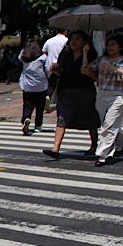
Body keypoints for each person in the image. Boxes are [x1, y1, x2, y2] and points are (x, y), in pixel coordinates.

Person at [42, 31, 100, 159]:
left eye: (77, 39)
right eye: (72, 39)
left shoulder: (91, 57)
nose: (73, 42)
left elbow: (93, 76)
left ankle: (94, 145)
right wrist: (56, 69)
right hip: (67, 91)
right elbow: (62, 72)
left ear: (85, 42)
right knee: (62, 117)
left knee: (89, 118)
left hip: (85, 91)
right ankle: (56, 148)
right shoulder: (66, 55)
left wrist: (85, 53)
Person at [84, 34, 123, 167]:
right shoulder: (102, 59)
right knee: (107, 123)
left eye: (113, 44)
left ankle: (102, 154)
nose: (110, 47)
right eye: (108, 45)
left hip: (118, 96)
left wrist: (114, 69)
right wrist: (85, 52)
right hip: (101, 94)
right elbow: (87, 69)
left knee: (109, 125)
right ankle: (121, 143)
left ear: (120, 46)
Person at [17, 40, 49, 135]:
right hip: (41, 86)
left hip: (27, 85)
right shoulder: (43, 57)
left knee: (27, 104)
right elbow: (47, 69)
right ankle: (38, 126)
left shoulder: (23, 56)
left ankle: (26, 118)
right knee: (40, 106)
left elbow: (19, 58)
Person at [42, 29, 68, 112]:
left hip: (49, 66)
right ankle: (61, 102)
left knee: (52, 84)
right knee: (62, 84)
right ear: (65, 31)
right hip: (61, 66)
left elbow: (44, 52)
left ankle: (47, 96)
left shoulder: (49, 41)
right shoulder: (66, 40)